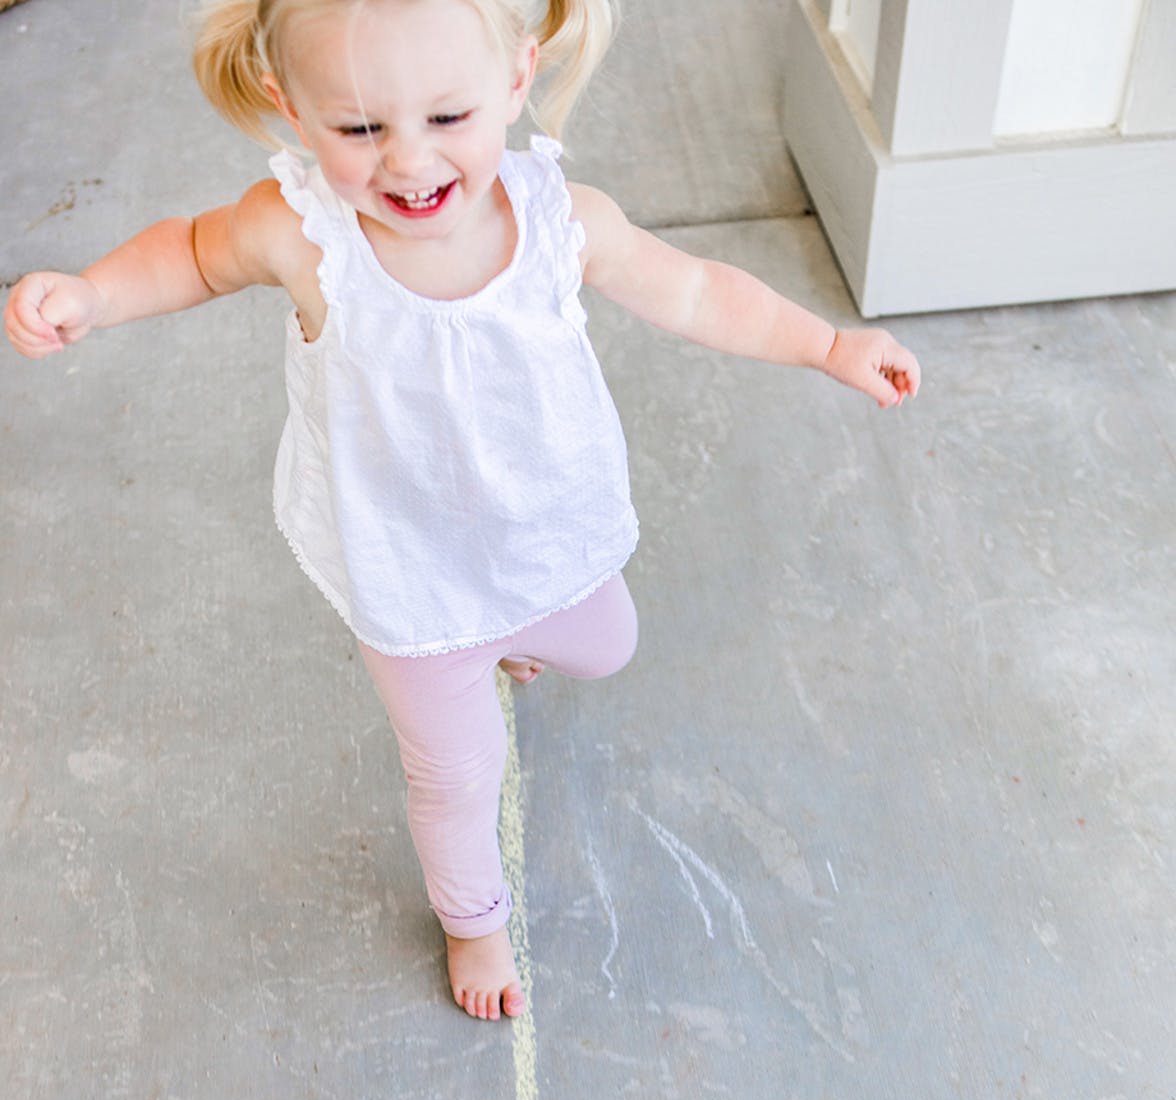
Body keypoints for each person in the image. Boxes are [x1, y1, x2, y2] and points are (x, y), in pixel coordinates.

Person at [4, 0, 921, 1021]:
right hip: (410, 574)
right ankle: (472, 918)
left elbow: (698, 292)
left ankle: (514, 642)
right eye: (360, 127)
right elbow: (188, 252)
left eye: (448, 117)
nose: (408, 161)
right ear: (290, 106)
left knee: (608, 643)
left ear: (516, 80)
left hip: (536, 537)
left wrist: (827, 346)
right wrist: (93, 293)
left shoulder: (564, 221)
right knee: (456, 773)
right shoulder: (301, 235)